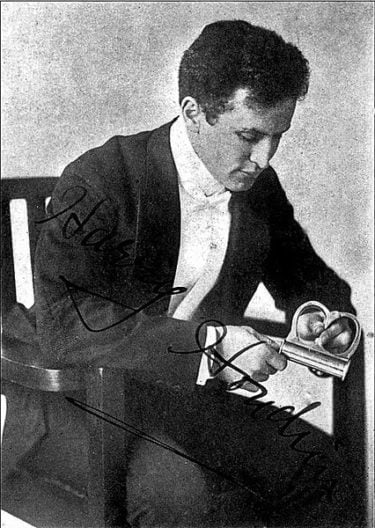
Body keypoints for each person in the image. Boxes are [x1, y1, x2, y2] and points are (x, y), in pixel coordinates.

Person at [32, 19, 361, 527]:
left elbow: (308, 278)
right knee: (182, 498)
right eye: (250, 135)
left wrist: (321, 320)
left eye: (278, 137)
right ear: (193, 113)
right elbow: (66, 326)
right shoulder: (101, 177)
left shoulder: (258, 186)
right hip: (82, 401)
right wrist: (210, 344)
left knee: (323, 470)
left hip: (184, 402)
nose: (264, 157)